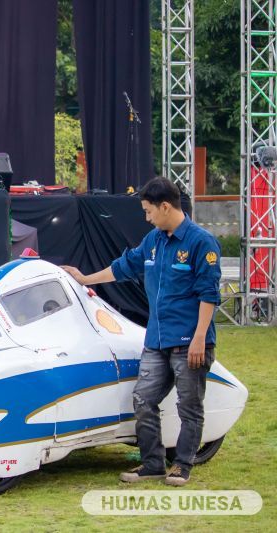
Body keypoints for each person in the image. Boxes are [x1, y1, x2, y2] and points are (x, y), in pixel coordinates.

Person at [62, 177, 222, 487]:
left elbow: (209, 295)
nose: (147, 217)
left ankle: (182, 465)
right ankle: (152, 464)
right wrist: (84, 280)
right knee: (143, 399)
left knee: (189, 406)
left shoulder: (201, 243)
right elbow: (123, 267)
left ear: (165, 207)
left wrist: (200, 338)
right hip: (157, 340)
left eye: (149, 211)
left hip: (190, 341)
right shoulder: (153, 241)